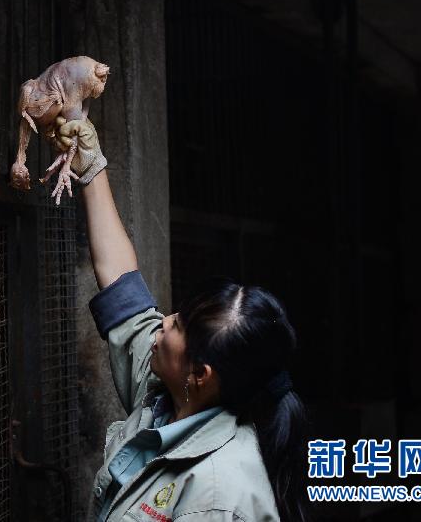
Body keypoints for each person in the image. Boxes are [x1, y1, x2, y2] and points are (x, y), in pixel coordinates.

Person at [53, 117, 310, 522]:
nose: (165, 320)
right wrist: (91, 164)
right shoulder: (168, 396)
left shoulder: (220, 493)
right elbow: (125, 293)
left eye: (179, 325)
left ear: (201, 374)